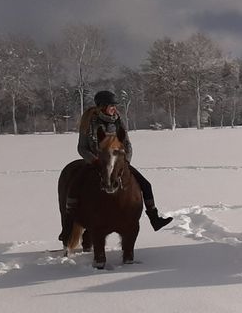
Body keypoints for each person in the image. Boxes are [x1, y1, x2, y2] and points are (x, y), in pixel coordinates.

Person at [59, 90, 173, 243]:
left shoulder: (118, 120)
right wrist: (94, 161)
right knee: (73, 187)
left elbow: (127, 144)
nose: (114, 108)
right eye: (111, 105)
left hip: (118, 163)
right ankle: (67, 228)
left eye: (114, 105)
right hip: (95, 163)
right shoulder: (89, 121)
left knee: (146, 184)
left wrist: (125, 162)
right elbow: (81, 148)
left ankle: (155, 218)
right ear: (102, 106)